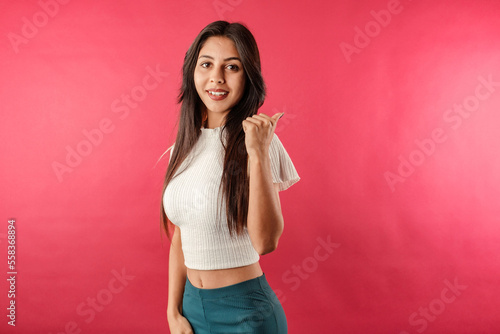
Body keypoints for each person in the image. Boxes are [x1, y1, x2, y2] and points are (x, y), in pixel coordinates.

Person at [160, 20, 300, 334]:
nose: (216, 78)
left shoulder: (259, 141)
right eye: (206, 64)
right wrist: (173, 311)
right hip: (192, 308)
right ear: (192, 72)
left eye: (232, 67)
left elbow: (265, 242)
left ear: (248, 75)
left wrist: (258, 152)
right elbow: (180, 235)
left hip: (246, 313)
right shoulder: (181, 148)